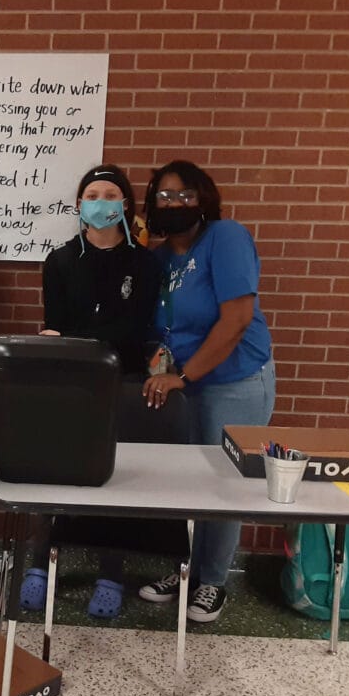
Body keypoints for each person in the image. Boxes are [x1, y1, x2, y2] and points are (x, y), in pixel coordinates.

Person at [20, 163, 162, 618]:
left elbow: (137, 331)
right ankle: (39, 565)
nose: (101, 203)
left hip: (124, 385)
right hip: (70, 385)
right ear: (79, 204)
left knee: (116, 479)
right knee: (52, 473)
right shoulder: (60, 261)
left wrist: (93, 342)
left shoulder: (144, 263)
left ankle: (110, 571)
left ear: (125, 204)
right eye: (92, 194)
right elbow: (57, 326)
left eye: (110, 194)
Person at [138, 159, 275, 623]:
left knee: (225, 483)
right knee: (185, 481)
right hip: (186, 384)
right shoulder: (159, 258)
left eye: (184, 195)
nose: (173, 204)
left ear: (204, 200)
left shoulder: (226, 236)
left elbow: (235, 319)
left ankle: (213, 581)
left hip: (234, 381)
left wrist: (185, 376)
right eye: (164, 196)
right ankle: (184, 570)